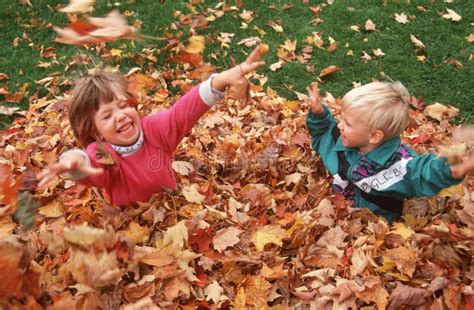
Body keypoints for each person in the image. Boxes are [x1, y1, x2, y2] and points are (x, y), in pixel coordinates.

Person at [37, 47, 265, 205]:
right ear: (95, 132)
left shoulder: (154, 130)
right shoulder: (103, 154)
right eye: (107, 116)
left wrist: (222, 79)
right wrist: (75, 163)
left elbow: (184, 111)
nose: (121, 116)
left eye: (123, 105)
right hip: (134, 232)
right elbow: (91, 169)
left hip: (173, 212)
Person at [306, 81, 474, 222]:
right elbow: (324, 133)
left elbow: (422, 172)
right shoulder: (342, 140)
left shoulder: (400, 165)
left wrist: (448, 169)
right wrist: (319, 114)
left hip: (374, 223)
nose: (340, 125)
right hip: (339, 205)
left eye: (348, 123)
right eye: (342, 119)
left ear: (374, 136)